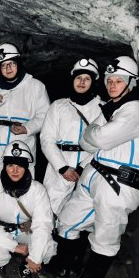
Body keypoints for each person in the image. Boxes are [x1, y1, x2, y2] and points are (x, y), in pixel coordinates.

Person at [52, 56, 139, 278]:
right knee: (67, 220)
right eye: (109, 80)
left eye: (118, 80)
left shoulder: (138, 109)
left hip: (119, 184)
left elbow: (99, 138)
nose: (112, 85)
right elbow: (85, 142)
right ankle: (66, 266)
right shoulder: (111, 107)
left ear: (131, 82)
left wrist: (96, 134)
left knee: (106, 236)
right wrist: (96, 134)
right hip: (95, 174)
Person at [0, 140, 56, 278]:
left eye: (19, 166)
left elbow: (43, 224)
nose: (15, 171)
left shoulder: (37, 190)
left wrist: (35, 257)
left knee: (48, 249)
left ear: (26, 167)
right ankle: (1, 264)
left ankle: (26, 264)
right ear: (5, 167)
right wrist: (14, 246)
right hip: (1, 230)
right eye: (10, 165)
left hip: (25, 230)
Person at [0, 43, 50, 187]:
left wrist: (27, 128)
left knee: (21, 185)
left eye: (11, 63)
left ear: (18, 63)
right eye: (3, 65)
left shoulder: (35, 86)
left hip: (21, 140)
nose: (8, 68)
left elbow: (45, 115)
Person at [40, 58, 103, 215]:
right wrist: (62, 167)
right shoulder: (58, 106)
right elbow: (47, 139)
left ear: (93, 82)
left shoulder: (103, 108)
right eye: (78, 77)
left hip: (90, 166)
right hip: (60, 165)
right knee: (49, 210)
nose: (82, 82)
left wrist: (83, 167)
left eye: (87, 78)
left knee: (82, 213)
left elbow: (104, 143)